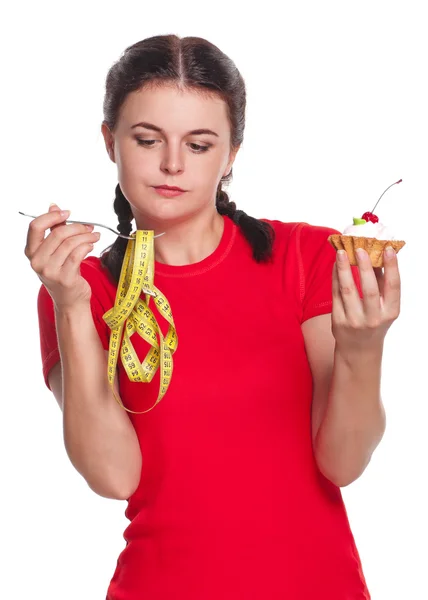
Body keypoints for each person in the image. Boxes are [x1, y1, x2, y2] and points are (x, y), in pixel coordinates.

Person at [25, 34, 402, 600]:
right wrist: (72, 307)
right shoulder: (85, 289)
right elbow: (112, 476)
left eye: (199, 145)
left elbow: (343, 463)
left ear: (232, 153)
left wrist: (363, 347)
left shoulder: (308, 258)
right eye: (148, 139)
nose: (172, 164)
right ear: (109, 141)